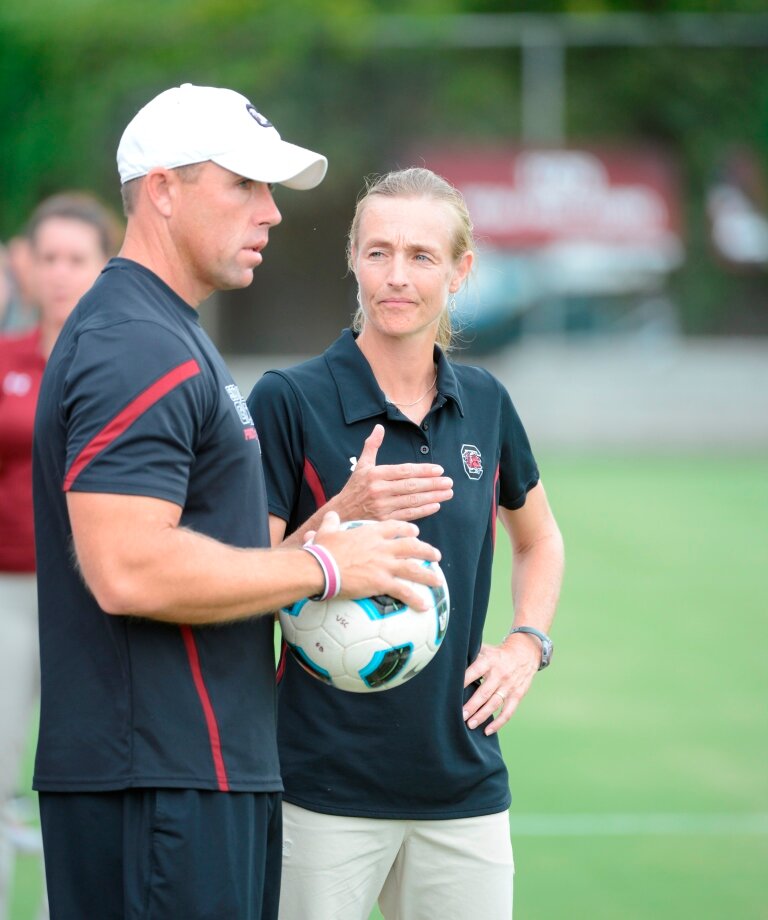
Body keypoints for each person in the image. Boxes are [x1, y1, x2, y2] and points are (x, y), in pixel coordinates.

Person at [31, 85, 442, 920]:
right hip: (158, 783)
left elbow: (195, 537)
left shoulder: (166, 330)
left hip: (196, 772)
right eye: (244, 186)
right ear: (163, 190)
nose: (272, 213)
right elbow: (128, 568)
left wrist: (331, 522)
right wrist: (323, 567)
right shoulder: (134, 345)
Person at [247, 167, 565, 920]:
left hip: (464, 784)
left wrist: (527, 643)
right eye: (379, 252)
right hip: (319, 787)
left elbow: (540, 537)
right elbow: (244, 582)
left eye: (422, 256)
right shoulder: (288, 400)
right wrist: (338, 512)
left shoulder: (485, 402)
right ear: (352, 259)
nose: (397, 277)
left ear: (461, 272)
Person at [0, 191, 119, 920]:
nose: (60, 273)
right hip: (7, 597)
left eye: (77, 258)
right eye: (48, 257)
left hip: (88, 602)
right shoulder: (4, 360)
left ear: (104, 266)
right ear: (26, 264)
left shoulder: (116, 364)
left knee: (79, 781)